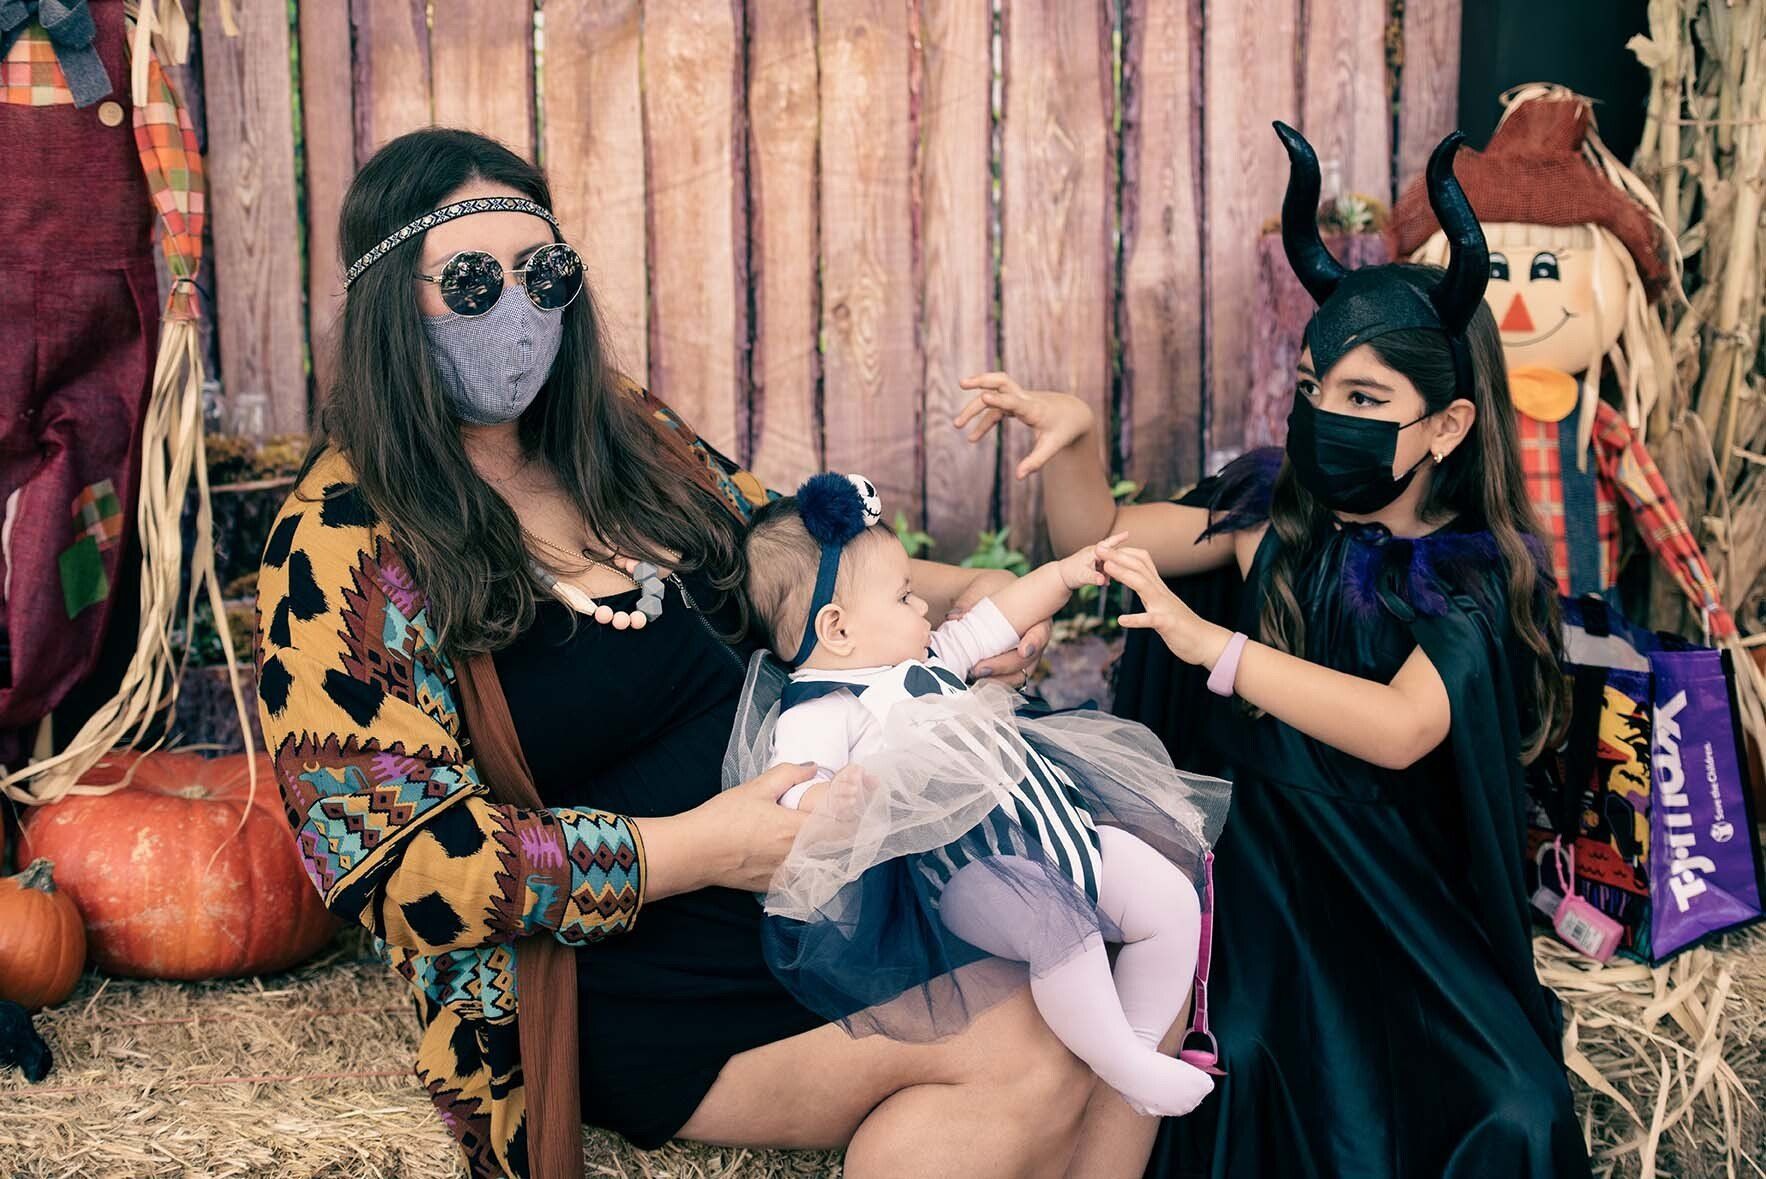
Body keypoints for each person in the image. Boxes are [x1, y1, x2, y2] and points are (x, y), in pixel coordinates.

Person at [253, 127, 1170, 1179]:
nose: (516, 310)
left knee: (1114, 953)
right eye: (469, 281)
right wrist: (694, 849)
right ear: (387, 302)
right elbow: (390, 867)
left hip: (819, 876)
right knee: (1035, 1043)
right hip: (621, 954)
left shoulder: (623, 433)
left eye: (541, 272)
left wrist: (971, 610)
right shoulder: (343, 541)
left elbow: (795, 566)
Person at [955, 125, 1593, 1178]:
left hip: (1397, 889)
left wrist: (1215, 646)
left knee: (1508, 1108)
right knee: (1236, 1066)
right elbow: (1095, 540)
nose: (1321, 418)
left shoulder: (1468, 572)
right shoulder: (1266, 514)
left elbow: (1400, 729)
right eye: (1310, 389)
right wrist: (1072, 440)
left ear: (1443, 427)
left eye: (1362, 401)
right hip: (1256, 871)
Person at [735, 474, 1230, 1116]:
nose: (924, 610)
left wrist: (1065, 573)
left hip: (1060, 827)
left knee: (1168, 900)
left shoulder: (932, 657)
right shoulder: (824, 711)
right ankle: (1119, 1057)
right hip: (974, 870)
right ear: (838, 629)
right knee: (1062, 934)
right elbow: (791, 790)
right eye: (906, 597)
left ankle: (1133, 1056)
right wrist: (831, 805)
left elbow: (1002, 615)